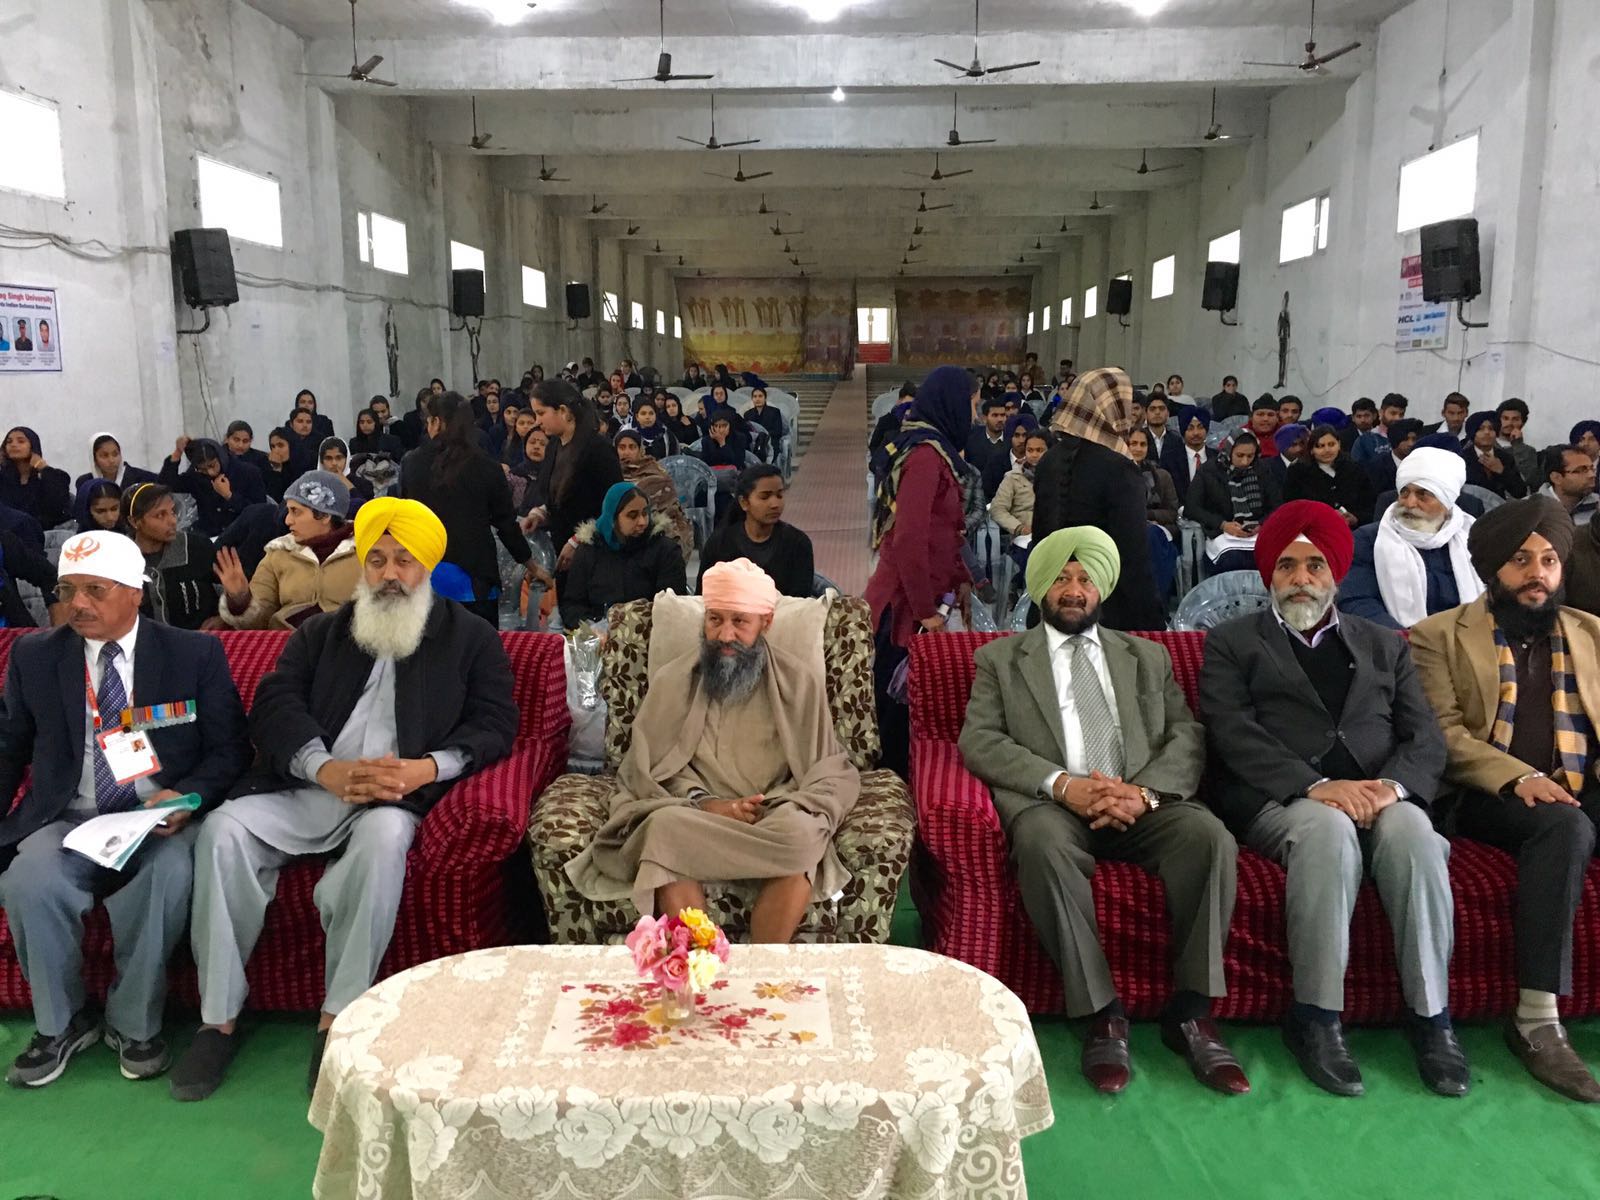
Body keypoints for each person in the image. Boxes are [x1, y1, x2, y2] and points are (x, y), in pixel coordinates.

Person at [169, 499, 517, 1101]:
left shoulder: (471, 638)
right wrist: (322, 767)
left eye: (403, 561)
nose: (389, 574)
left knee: (384, 839)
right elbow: (275, 703)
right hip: (311, 787)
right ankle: (217, 1018)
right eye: (376, 560)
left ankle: (337, 1019)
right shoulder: (323, 632)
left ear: (427, 566)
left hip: (392, 799)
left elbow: (495, 724)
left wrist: (426, 769)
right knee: (223, 830)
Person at [959, 527, 1246, 1094]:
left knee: (1209, 837)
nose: (1074, 590)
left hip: (1142, 801)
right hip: (1054, 805)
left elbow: (1186, 734)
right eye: (1061, 578)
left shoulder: (1147, 655)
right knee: (1040, 845)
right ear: (1041, 587)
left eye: (1086, 579)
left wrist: (1143, 794)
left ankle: (1191, 1011)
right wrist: (1062, 785)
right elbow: (981, 739)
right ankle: (1101, 1013)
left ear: (1102, 589)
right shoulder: (1000, 658)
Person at [1200, 502, 1463, 1098]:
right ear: (1269, 574)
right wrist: (1316, 786)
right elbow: (1231, 731)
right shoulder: (1233, 642)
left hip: (1381, 795)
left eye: (1315, 565)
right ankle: (1316, 1017)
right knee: (1328, 831)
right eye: (1287, 565)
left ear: (1336, 573)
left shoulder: (1385, 644)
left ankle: (1432, 1019)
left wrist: (1391, 788)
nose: (1302, 578)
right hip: (1285, 800)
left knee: (1418, 835)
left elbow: (1424, 736)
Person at [0, 531, 249, 1087]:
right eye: (68, 590)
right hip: (69, 816)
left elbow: (231, 748)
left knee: (168, 875)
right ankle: (61, 1024)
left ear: (136, 592)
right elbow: (10, 746)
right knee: (28, 880)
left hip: (159, 820)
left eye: (96, 589)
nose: (78, 603)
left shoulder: (193, 653)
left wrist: (188, 797)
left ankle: (135, 1024)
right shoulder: (35, 656)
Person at [1410, 497, 1600, 1103]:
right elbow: (1445, 735)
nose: (1536, 574)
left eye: (1548, 560)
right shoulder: (1438, 635)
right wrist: (1519, 778)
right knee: (1564, 827)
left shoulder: (1591, 632)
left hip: (1581, 781)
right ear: (1493, 568)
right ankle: (1536, 1020)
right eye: (1521, 560)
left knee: (1570, 815)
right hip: (1485, 794)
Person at [566, 559, 860, 941]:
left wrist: (775, 807)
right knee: (662, 829)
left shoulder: (799, 683)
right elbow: (647, 770)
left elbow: (827, 769)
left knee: (803, 834)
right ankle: (702, 963)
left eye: (740, 622)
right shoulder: (673, 680)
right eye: (715, 619)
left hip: (771, 815)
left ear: (766, 623)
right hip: (696, 816)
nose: (725, 635)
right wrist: (706, 804)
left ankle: (758, 967)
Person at [867, 366, 978, 776]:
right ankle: (891, 792)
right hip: (901, 607)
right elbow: (909, 540)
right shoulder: (926, 457)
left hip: (921, 598)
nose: (975, 415)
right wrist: (925, 611)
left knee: (911, 709)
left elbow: (942, 531)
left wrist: (960, 578)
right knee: (895, 712)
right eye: (972, 405)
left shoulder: (937, 452)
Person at [1034, 368, 1166, 631]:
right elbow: (1133, 556)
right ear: (1115, 407)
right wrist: (1154, 623)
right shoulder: (1120, 468)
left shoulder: (1049, 460)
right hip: (1106, 613)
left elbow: (1040, 539)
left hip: (1051, 605)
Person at [400, 391, 534, 626]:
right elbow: (506, 525)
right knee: (480, 646)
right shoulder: (487, 467)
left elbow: (404, 519)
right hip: (475, 577)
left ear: (436, 422)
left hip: (424, 576)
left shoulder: (411, 464)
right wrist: (530, 564)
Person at [1338, 447, 1483, 630]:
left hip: (1470, 636)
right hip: (1397, 640)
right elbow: (1356, 601)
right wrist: (1406, 640)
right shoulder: (1369, 540)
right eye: (1404, 492)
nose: (1410, 503)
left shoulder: (1474, 537)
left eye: (1423, 494)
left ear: (1446, 501)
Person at [213, 472, 358, 631]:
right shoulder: (278, 553)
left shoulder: (363, 552)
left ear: (324, 515)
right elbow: (258, 621)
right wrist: (240, 599)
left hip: (343, 641)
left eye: (296, 511)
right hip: (287, 641)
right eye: (288, 511)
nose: (287, 520)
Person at [523, 380, 624, 587]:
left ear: (563, 411)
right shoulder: (553, 446)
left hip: (596, 557)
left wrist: (578, 541)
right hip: (563, 554)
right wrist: (540, 514)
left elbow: (614, 506)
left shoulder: (598, 449)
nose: (537, 421)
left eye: (541, 413)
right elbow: (558, 499)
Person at [560, 482, 687, 628]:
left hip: (651, 633)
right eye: (632, 515)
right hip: (597, 634)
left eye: (645, 513)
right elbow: (572, 605)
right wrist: (591, 628)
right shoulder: (589, 551)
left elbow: (672, 605)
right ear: (613, 519)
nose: (642, 522)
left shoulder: (665, 551)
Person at [699, 465, 815, 599]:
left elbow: (800, 601)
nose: (775, 504)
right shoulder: (720, 544)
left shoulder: (797, 543)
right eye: (765, 497)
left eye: (779, 495)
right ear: (744, 502)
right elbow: (702, 596)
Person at [124, 483, 218, 631]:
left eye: (173, 512)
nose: (173, 521)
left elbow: (228, 595)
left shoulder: (197, 548)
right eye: (160, 515)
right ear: (135, 521)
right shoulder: (119, 561)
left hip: (198, 641)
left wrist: (224, 616)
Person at [1185, 431, 1282, 575]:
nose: (1245, 461)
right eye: (1240, 455)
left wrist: (1261, 525)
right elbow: (1191, 507)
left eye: (1250, 456)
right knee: (1232, 560)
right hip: (1223, 533)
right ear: (1229, 451)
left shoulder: (1262, 470)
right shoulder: (1209, 470)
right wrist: (1223, 525)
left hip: (1257, 532)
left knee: (1271, 557)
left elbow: (1277, 506)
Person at [157, 437, 266, 538]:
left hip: (241, 533)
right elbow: (166, 485)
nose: (210, 472)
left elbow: (260, 512)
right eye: (202, 469)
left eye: (212, 465)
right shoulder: (196, 476)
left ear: (220, 457)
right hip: (207, 533)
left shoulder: (247, 472)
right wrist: (177, 454)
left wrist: (229, 496)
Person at [615, 429, 693, 561]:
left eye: (632, 447)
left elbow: (672, 512)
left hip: (654, 531)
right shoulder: (610, 473)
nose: (626, 452)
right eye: (622, 447)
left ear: (640, 450)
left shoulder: (656, 475)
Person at [1284, 423, 1374, 528]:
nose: (1327, 450)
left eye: (1331, 444)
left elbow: (1369, 503)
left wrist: (1356, 518)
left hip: (1353, 529)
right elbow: (1292, 507)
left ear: (1339, 444)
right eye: (1320, 446)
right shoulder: (1297, 472)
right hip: (1313, 529)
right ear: (1311, 450)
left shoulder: (1354, 468)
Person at [1126, 428, 1181, 599]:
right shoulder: (1115, 475)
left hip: (1157, 530)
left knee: (1152, 536)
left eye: (1143, 444)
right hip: (1126, 529)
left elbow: (1172, 513)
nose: (1138, 448)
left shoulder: (1161, 476)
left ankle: (1157, 601)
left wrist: (1148, 516)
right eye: (1133, 443)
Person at [72, 434, 157, 526]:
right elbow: (81, 516)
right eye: (104, 456)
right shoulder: (85, 483)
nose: (111, 460)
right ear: (94, 459)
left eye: (115, 454)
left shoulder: (143, 478)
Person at [0, 427, 72, 530]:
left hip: (46, 533)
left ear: (33, 446)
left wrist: (43, 468)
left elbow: (57, 506)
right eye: (9, 441)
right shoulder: (3, 478)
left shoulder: (55, 476)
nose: (13, 445)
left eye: (21, 441)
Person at [989, 430, 1047, 541]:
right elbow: (997, 509)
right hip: (1022, 537)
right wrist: (1019, 528)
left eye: (1039, 450)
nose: (1034, 455)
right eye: (1030, 450)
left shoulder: (1060, 477)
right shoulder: (1012, 478)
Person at [1465, 410, 1529, 500]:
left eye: (1491, 429)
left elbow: (1521, 492)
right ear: (1472, 433)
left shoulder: (1506, 457)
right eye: (1481, 429)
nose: (1487, 432)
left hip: (1501, 507)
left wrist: (1501, 471)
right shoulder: (1461, 459)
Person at [1162, 405, 1211, 505]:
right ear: (1183, 431)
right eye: (1190, 428)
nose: (1196, 433)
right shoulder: (1169, 459)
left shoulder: (1218, 458)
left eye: (1200, 427)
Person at [1539, 443, 1598, 526]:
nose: (1592, 475)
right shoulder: (1529, 510)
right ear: (1556, 478)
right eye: (1581, 470)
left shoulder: (1597, 506)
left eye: (1592, 469)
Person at [966, 398, 1011, 496]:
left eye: (1003, 415)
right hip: (977, 493)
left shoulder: (1012, 440)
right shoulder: (971, 440)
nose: (1000, 419)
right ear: (984, 418)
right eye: (995, 415)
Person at [1497, 398, 1540, 486]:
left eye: (1515, 419)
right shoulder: (1487, 443)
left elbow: (1528, 479)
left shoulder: (1528, 451)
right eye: (1505, 418)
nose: (1509, 423)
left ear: (1523, 423)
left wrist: (1518, 445)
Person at [509, 427, 548, 516]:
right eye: (532, 442)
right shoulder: (514, 474)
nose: (536, 447)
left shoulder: (554, 476)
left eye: (543, 444)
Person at [744, 387, 786, 462]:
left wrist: (763, 436)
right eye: (755, 396)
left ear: (765, 398)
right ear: (752, 399)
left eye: (760, 396)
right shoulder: (747, 414)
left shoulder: (775, 412)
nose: (757, 399)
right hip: (754, 444)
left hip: (771, 443)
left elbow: (778, 431)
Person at [259, 428, 299, 505]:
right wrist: (277, 469)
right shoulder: (266, 467)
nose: (276, 450)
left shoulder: (305, 466)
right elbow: (273, 498)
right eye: (273, 446)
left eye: (280, 445)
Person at [1141, 395, 1182, 464]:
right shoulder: (1139, 437)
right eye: (1152, 409)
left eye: (1161, 408)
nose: (1157, 412)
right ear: (1145, 414)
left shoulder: (1176, 440)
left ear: (1168, 413)